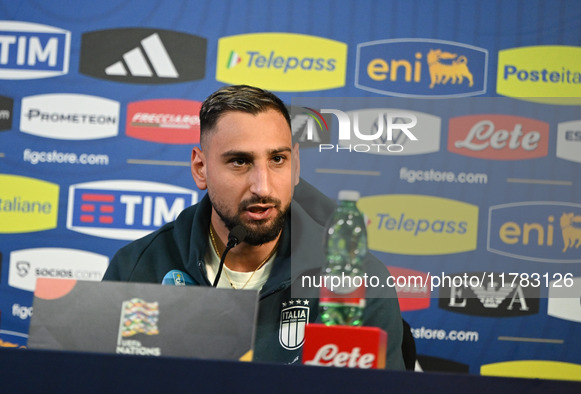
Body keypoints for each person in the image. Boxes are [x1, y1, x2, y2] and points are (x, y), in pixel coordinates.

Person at [103, 85, 406, 369]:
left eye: (277, 159)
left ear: (296, 165)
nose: (262, 187)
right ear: (201, 169)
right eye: (239, 162)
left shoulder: (360, 281)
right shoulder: (137, 270)